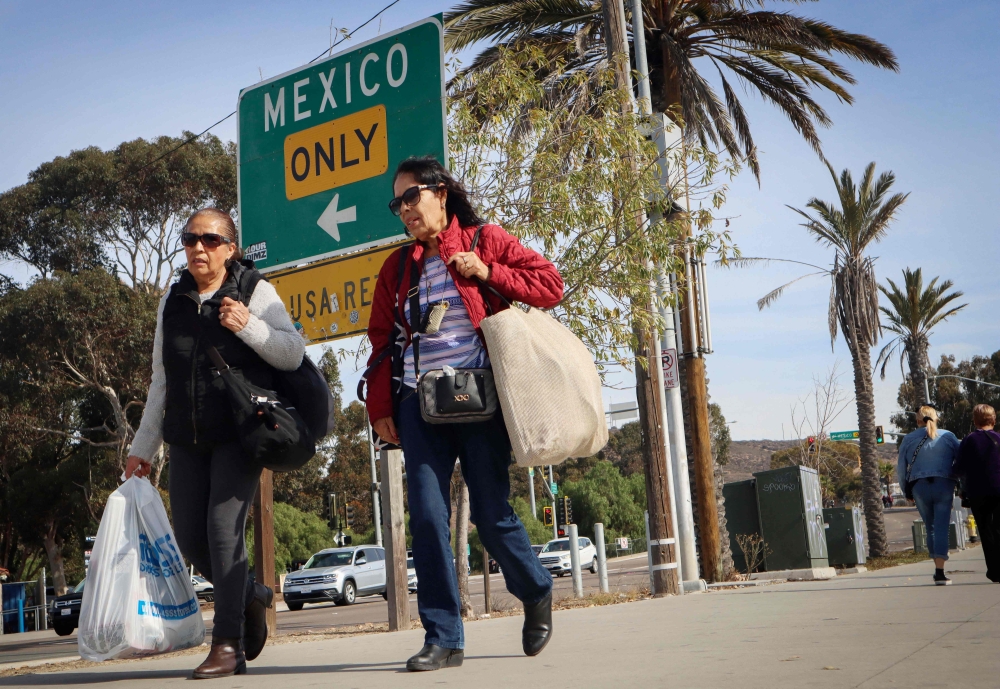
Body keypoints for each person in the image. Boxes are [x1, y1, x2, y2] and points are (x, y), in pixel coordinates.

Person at [365, 156, 561, 672]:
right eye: (397, 202)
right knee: (427, 519)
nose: (404, 209)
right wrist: (381, 406)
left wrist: (488, 271)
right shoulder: (397, 267)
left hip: (481, 400)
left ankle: (536, 588)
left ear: (440, 193)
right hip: (418, 404)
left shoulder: (484, 239)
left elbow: (550, 284)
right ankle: (444, 638)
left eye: (412, 197)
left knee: (490, 517)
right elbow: (383, 341)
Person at [125, 208, 304, 678]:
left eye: (208, 239)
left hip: (237, 435)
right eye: (189, 239)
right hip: (186, 439)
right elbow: (160, 381)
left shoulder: (253, 290)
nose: (197, 248)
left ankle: (228, 644)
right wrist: (143, 446)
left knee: (224, 535)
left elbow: (292, 351)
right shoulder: (173, 301)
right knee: (189, 538)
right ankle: (251, 593)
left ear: (230, 247)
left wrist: (248, 325)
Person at [897, 406, 960, 585]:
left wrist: (906, 490)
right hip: (944, 484)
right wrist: (960, 483)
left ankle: (937, 568)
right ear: (936, 418)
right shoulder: (948, 436)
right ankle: (940, 571)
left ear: (917, 420)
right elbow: (961, 461)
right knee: (941, 527)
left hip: (919, 487)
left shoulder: (908, 439)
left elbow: (901, 469)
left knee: (930, 527)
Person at [954, 404, 1000, 582]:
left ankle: (995, 571)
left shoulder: (969, 440)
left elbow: (959, 468)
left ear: (975, 420)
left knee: (986, 530)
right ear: (993, 420)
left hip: (978, 492)